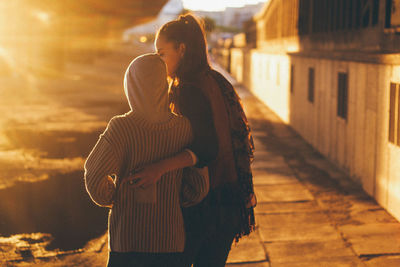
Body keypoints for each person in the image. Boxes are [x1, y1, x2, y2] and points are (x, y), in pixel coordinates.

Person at [126, 14, 256, 267]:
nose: (158, 62)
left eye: (162, 54)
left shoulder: (187, 89)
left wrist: (157, 168)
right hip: (229, 199)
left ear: (181, 49)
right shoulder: (215, 79)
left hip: (205, 206)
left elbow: (207, 148)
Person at [84, 53, 209, 267]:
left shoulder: (121, 128)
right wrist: (175, 199)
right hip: (170, 241)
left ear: (131, 85)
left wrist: (114, 197)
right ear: (163, 85)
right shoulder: (184, 128)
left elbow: (94, 177)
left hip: (127, 240)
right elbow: (198, 188)